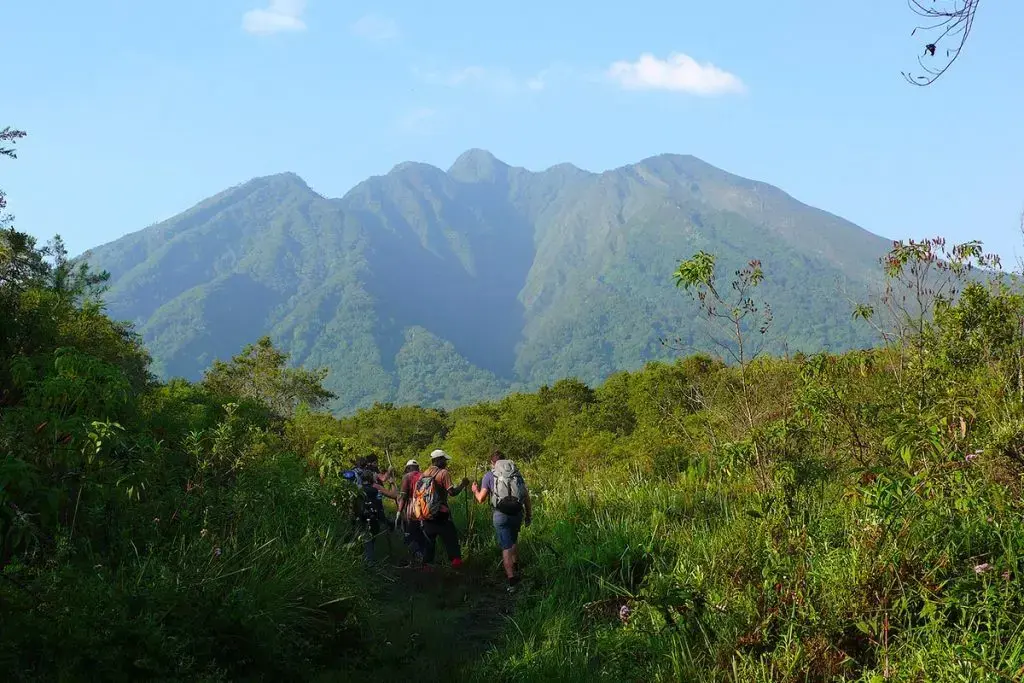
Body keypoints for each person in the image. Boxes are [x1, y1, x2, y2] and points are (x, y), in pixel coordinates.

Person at [472, 450, 532, 592]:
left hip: (501, 514)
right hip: (517, 512)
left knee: (506, 546)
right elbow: (526, 496)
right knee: (513, 540)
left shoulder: (489, 475)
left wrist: (475, 490)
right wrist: (529, 515)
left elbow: (481, 499)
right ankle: (516, 566)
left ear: (492, 463)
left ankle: (511, 580)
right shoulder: (516, 474)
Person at [413, 449, 470, 569]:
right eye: (444, 460)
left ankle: (427, 567)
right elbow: (452, 492)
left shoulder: (424, 474)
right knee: (451, 539)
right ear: (438, 460)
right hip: (441, 513)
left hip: (427, 513)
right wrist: (462, 485)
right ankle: (456, 565)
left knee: (429, 541)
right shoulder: (443, 473)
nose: (446, 463)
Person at [398, 459, 427, 563]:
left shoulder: (407, 477)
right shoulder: (424, 476)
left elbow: (403, 496)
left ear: (408, 468)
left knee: (410, 535)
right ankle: (424, 558)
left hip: (412, 510)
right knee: (422, 534)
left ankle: (417, 556)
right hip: (425, 509)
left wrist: (399, 511)